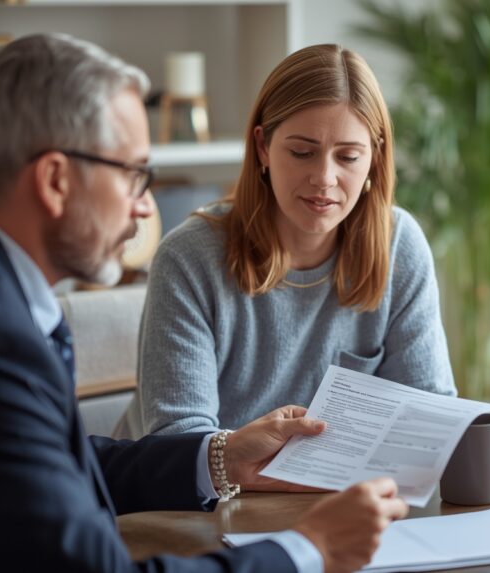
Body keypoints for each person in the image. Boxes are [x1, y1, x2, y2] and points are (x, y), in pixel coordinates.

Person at [0, 33, 408, 572]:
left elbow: (48, 466)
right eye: (133, 174)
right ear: (55, 180)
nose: (146, 207)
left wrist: (219, 458)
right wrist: (309, 549)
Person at [115, 44, 456, 439]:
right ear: (262, 147)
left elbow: (429, 415)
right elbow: (177, 443)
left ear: (375, 160)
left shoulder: (399, 245)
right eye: (301, 152)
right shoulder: (189, 259)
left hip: (331, 493)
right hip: (195, 498)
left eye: (347, 157)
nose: (324, 178)